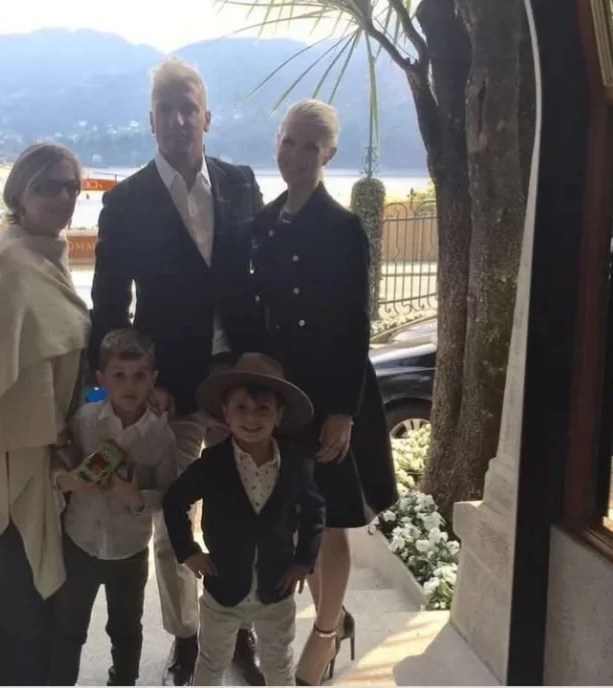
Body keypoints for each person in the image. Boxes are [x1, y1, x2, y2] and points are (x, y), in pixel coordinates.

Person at [89, 56, 266, 686]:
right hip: (173, 393)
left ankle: (239, 627)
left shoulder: (242, 183)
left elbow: (262, 281)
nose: (178, 119)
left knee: (245, 514)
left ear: (207, 117)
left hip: (241, 387)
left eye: (188, 107)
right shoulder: (125, 202)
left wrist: (264, 362)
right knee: (171, 527)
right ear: (151, 121)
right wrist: (134, 388)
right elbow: (110, 307)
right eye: (165, 109)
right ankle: (187, 636)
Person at [251, 99, 399, 685]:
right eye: (289, 141)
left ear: (329, 154)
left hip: (329, 392)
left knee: (329, 519)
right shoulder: (265, 223)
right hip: (280, 396)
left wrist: (342, 412)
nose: (295, 155)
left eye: (309, 146)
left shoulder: (342, 228)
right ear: (277, 141)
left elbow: (356, 325)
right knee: (293, 516)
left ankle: (327, 632)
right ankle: (334, 617)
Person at [0, 142, 91, 685]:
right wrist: (55, 443)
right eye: (48, 186)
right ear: (20, 194)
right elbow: (0, 378)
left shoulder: (44, 253)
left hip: (46, 453)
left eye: (71, 187)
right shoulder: (11, 264)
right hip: (22, 457)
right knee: (22, 597)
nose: (62, 197)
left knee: (33, 598)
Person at [162, 353, 326, 686]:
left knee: (278, 663)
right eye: (241, 407)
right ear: (226, 413)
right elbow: (174, 501)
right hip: (223, 588)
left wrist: (304, 560)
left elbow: (315, 512)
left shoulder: (297, 465)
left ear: (279, 415)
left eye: (263, 408)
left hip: (276, 588)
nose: (251, 417)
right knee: (211, 662)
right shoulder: (213, 462)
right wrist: (188, 550)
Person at [49, 329, 178, 686]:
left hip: (129, 552)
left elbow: (169, 494)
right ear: (102, 379)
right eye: (119, 375)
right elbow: (57, 465)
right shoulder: (85, 419)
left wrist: (136, 498)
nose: (129, 385)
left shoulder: (161, 437)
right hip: (80, 544)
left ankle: (123, 680)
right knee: (68, 627)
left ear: (152, 379)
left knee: (125, 628)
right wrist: (70, 481)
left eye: (139, 375)